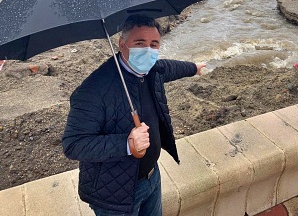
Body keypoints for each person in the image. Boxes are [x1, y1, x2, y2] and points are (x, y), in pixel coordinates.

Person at [62, 14, 205, 216]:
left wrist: (194, 68)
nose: (148, 50)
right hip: (114, 195)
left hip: (151, 178)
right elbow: (73, 144)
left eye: (154, 44)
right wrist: (126, 145)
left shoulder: (152, 70)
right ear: (122, 45)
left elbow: (171, 67)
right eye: (140, 43)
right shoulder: (93, 91)